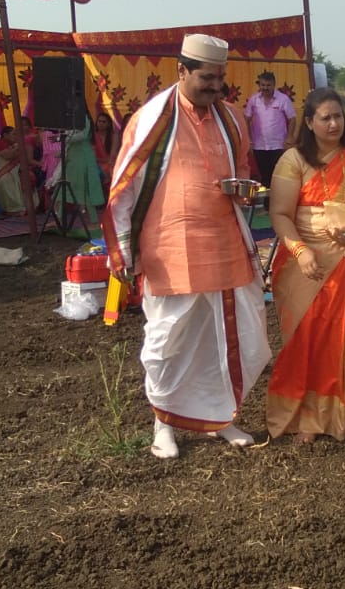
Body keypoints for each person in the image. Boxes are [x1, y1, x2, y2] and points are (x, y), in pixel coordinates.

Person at [103, 34, 270, 459]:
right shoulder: (151, 119)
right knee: (167, 341)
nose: (216, 86)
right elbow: (123, 188)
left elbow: (243, 168)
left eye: (220, 78)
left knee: (226, 337)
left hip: (225, 244)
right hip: (170, 249)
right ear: (181, 71)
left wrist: (245, 191)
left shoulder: (232, 118)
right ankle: (163, 425)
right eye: (207, 78)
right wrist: (122, 250)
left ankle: (221, 418)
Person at [265, 88, 345, 447]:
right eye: (326, 118)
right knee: (309, 341)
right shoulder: (293, 160)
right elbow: (280, 214)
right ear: (309, 122)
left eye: (338, 116)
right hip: (308, 265)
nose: (334, 123)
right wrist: (301, 251)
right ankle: (309, 416)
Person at [243, 70, 298, 187]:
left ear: (274, 85)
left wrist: (289, 137)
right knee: (264, 176)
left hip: (278, 145)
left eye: (268, 85)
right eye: (263, 85)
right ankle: (267, 198)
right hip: (259, 145)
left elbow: (292, 119)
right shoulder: (254, 100)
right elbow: (246, 119)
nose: (265, 88)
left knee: (277, 175)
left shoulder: (283, 99)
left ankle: (277, 197)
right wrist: (249, 139)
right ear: (259, 85)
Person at [0, 124, 28, 215]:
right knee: (5, 180)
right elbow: (7, 156)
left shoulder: (14, 145)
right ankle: (13, 209)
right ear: (5, 135)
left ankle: (25, 206)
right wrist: (18, 148)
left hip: (12, 169)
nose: (16, 136)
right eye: (13, 134)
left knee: (24, 177)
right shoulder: (0, 143)